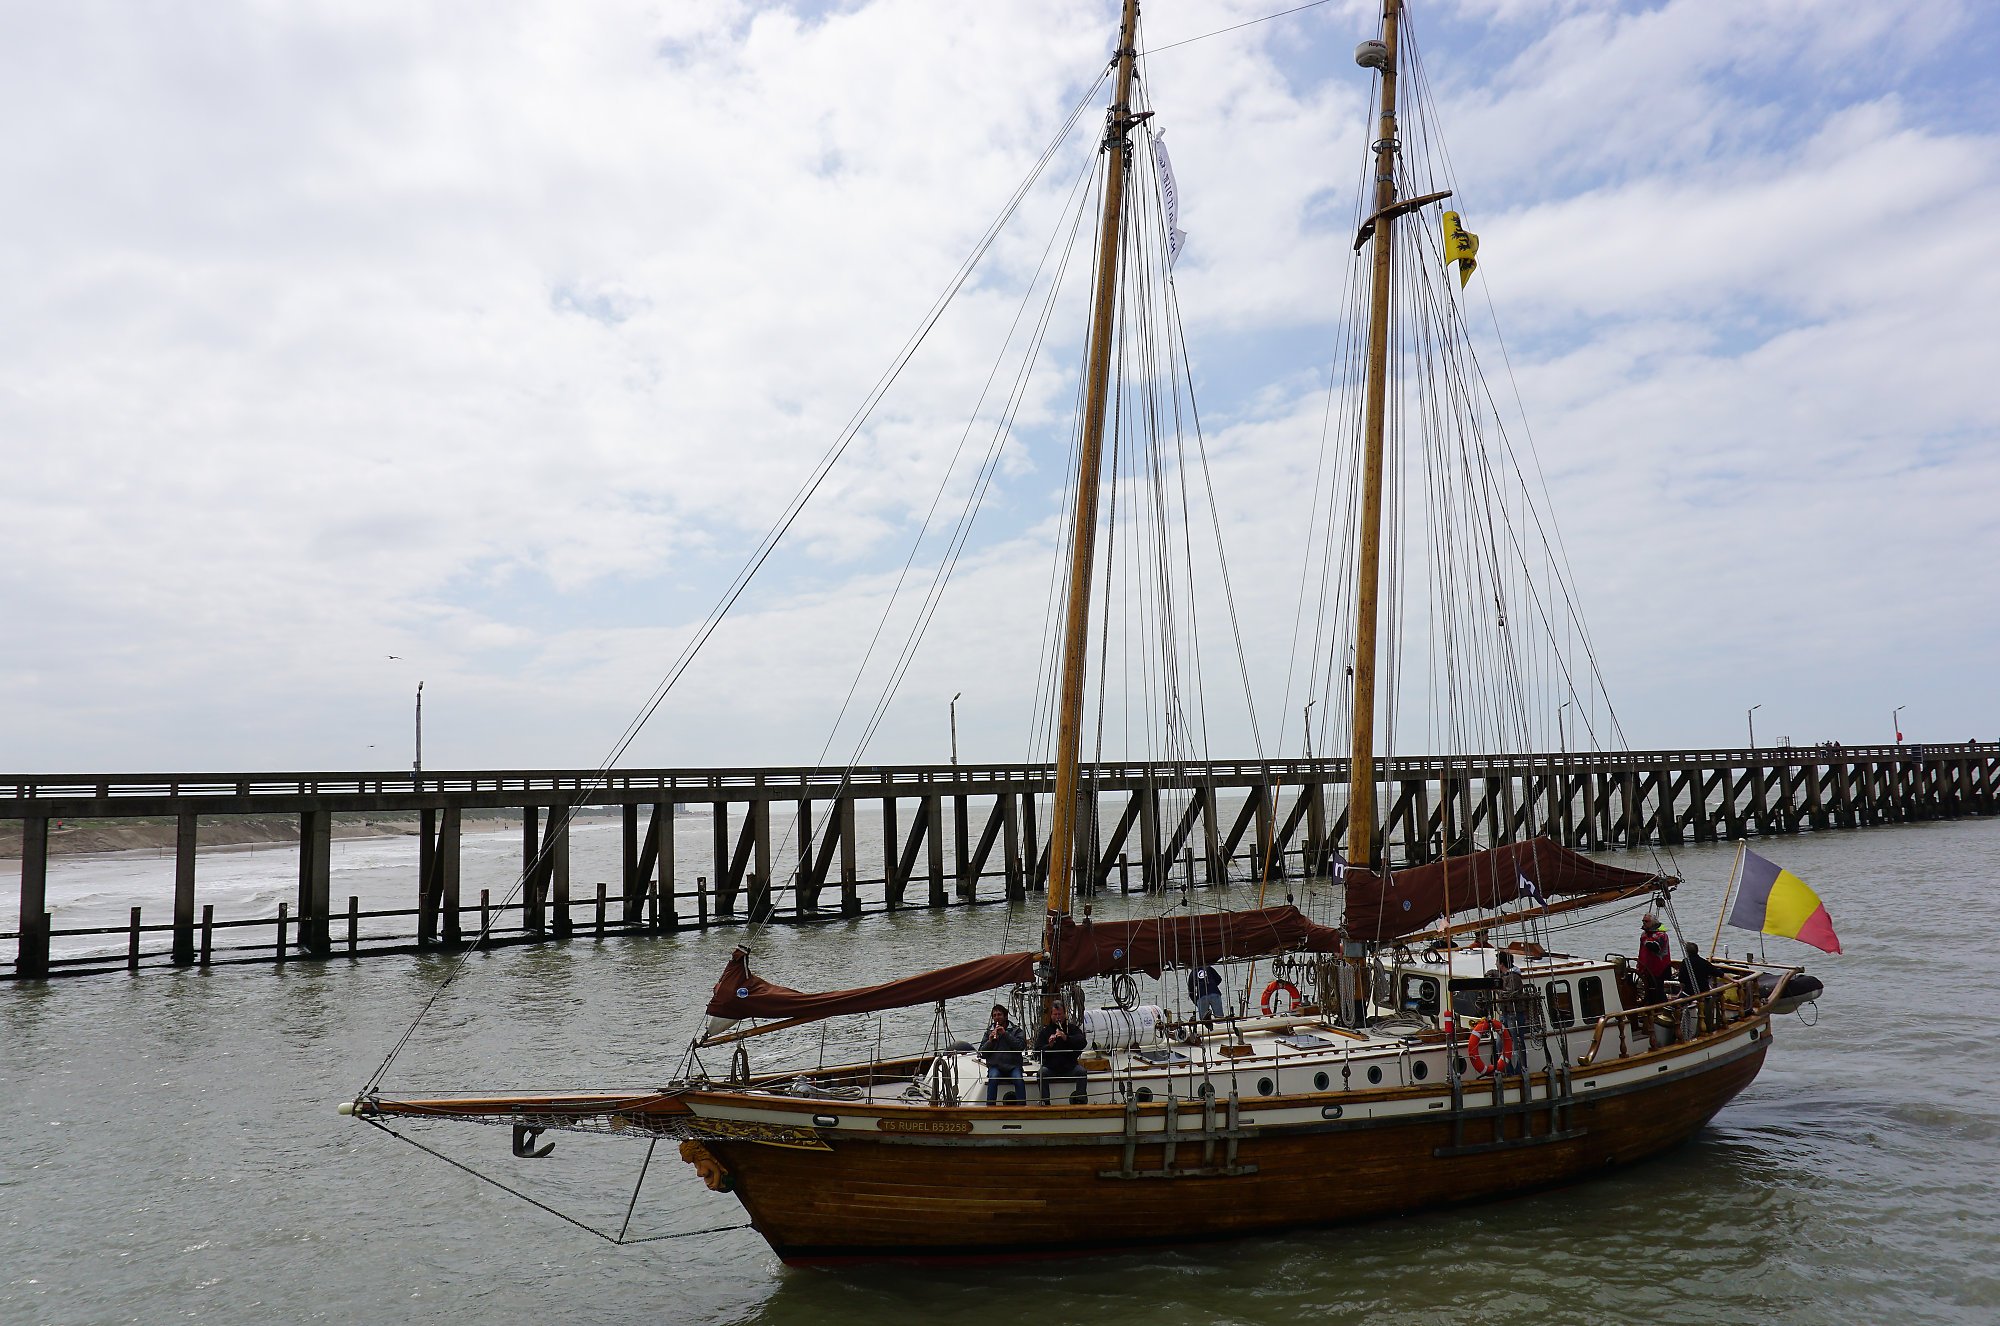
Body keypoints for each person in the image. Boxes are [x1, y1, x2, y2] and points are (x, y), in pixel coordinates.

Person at [1033, 1001, 1089, 1105]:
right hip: (1051, 1068)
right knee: (1041, 1073)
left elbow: (1083, 1042)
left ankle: (1080, 1101)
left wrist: (1066, 1038)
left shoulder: (1071, 1028)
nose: (1057, 1017)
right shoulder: (1045, 1031)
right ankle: (1045, 1102)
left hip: (1070, 1067)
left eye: (1060, 1014)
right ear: (1051, 1016)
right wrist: (1049, 1046)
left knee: (1081, 1072)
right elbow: (1037, 1051)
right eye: (1055, 1014)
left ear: (1064, 1014)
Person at [1485, 950, 1527, 1073]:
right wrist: (1489, 975)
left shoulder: (1514, 978)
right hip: (1504, 1014)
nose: (1495, 964)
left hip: (1514, 1014)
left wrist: (1495, 988)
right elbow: (1493, 973)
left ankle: (1520, 1070)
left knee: (1517, 1043)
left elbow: (1507, 994)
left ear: (1502, 964)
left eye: (1497, 962)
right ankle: (1507, 1070)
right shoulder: (1503, 974)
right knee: (1500, 1044)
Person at [978, 1004, 1025, 1106]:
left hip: (1013, 1066)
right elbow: (982, 1053)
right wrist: (990, 1041)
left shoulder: (1016, 1030)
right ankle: (990, 1108)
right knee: (993, 1078)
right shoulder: (989, 1032)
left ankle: (1022, 1107)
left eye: (999, 1015)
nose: (997, 1017)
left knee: (1018, 1080)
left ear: (1005, 1016)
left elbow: (1020, 1046)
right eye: (994, 1015)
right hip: (995, 1066)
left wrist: (1005, 1034)